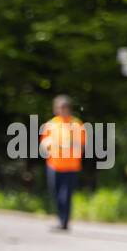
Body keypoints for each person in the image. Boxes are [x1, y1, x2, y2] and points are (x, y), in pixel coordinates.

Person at [39, 94, 87, 231]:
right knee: (55, 194)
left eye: (64, 108)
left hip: (71, 167)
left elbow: (81, 145)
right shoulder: (51, 124)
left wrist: (68, 145)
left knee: (66, 195)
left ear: (69, 109)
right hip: (54, 165)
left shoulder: (76, 124)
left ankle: (64, 222)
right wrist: (48, 145)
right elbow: (44, 143)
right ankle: (60, 219)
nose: (61, 111)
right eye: (59, 108)